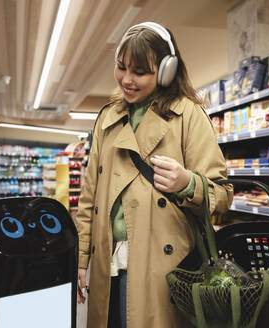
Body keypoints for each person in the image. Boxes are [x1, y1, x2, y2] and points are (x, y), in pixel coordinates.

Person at [75, 22, 233, 328]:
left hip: (161, 268)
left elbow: (223, 195)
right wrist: (82, 259)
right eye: (121, 68)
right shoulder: (108, 116)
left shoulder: (188, 115)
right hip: (106, 263)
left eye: (139, 72)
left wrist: (188, 183)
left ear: (166, 71)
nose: (127, 80)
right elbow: (89, 197)